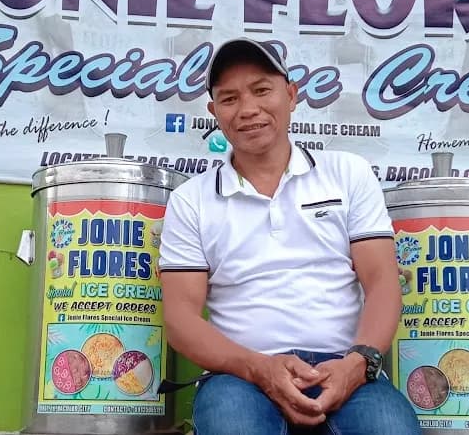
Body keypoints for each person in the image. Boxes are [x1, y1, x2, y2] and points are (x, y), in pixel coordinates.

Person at [158, 38, 421, 435]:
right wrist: (259, 368)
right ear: (214, 112)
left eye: (261, 90)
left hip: (345, 366)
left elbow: (382, 280)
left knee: (390, 430)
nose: (248, 109)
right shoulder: (190, 200)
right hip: (240, 376)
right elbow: (180, 319)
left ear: (292, 95)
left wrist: (357, 363)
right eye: (229, 99)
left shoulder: (347, 173)